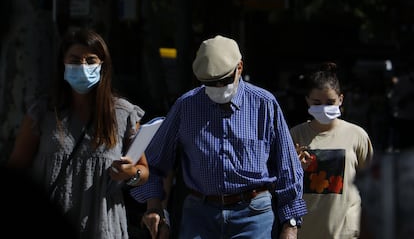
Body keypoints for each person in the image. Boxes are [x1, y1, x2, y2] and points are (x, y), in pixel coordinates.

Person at [130, 35, 307, 239]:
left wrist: (290, 224)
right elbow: (152, 163)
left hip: (254, 214)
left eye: (223, 81)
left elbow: (289, 168)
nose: (217, 89)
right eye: (209, 83)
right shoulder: (186, 106)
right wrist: (154, 206)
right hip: (199, 215)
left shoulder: (264, 104)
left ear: (239, 68)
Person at [7, 27, 150, 239]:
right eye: (74, 60)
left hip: (103, 227)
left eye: (91, 60)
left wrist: (131, 174)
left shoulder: (123, 114)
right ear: (62, 64)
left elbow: (144, 172)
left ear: (103, 65)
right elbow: (16, 168)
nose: (83, 66)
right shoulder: (43, 112)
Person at [290, 61, 374, 239]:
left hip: (346, 232)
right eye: (317, 102)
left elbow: (371, 189)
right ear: (307, 100)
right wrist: (295, 168)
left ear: (341, 100)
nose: (324, 108)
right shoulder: (295, 135)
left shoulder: (357, 136)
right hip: (307, 230)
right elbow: (282, 184)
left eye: (330, 102)